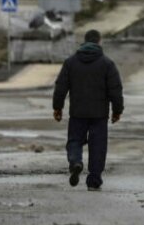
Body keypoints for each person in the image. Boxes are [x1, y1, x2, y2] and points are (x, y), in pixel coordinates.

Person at [52, 29, 124, 190]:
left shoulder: (70, 63)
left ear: (84, 42)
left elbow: (60, 87)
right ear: (99, 42)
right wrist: (117, 110)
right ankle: (94, 180)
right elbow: (115, 90)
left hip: (77, 113)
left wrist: (57, 107)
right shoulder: (107, 64)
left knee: (75, 141)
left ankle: (76, 162)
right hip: (99, 114)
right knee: (98, 146)